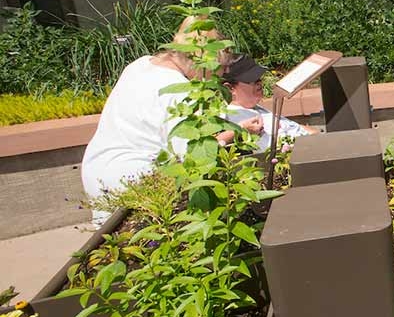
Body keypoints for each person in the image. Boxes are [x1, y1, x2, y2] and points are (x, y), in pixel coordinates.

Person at [81, 15, 225, 227]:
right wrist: (226, 136)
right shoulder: (180, 92)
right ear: (202, 61)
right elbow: (193, 161)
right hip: (136, 178)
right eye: (212, 71)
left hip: (98, 169)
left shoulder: (140, 64)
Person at [216, 54, 317, 151]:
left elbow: (293, 127)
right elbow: (279, 152)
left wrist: (317, 134)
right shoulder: (237, 119)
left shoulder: (251, 107)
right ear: (230, 88)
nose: (259, 82)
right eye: (251, 79)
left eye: (258, 78)